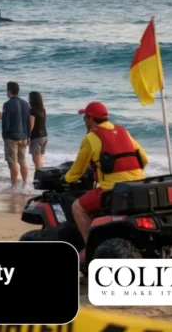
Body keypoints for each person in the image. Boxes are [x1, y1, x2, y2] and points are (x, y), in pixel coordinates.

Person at [65, 101, 148, 260]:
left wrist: (66, 178)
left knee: (77, 207)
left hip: (111, 189)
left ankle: (90, 247)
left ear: (90, 118)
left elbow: (78, 169)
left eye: (85, 118)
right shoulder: (123, 131)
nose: (84, 121)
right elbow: (144, 159)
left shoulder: (91, 137)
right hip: (138, 185)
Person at [2, 81, 31, 189]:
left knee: (13, 161)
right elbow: (28, 121)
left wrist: (4, 135)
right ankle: (25, 183)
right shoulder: (25, 103)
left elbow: (6, 123)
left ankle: (13, 185)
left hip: (12, 137)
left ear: (9, 91)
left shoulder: (7, 104)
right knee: (22, 160)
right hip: (24, 136)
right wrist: (28, 136)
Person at [28, 91, 48, 173]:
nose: (28, 99)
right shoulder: (43, 110)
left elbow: (31, 126)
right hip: (44, 136)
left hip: (36, 137)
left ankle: (39, 178)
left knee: (36, 161)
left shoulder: (32, 111)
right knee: (40, 159)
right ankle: (42, 177)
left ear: (32, 99)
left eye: (29, 98)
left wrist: (28, 137)